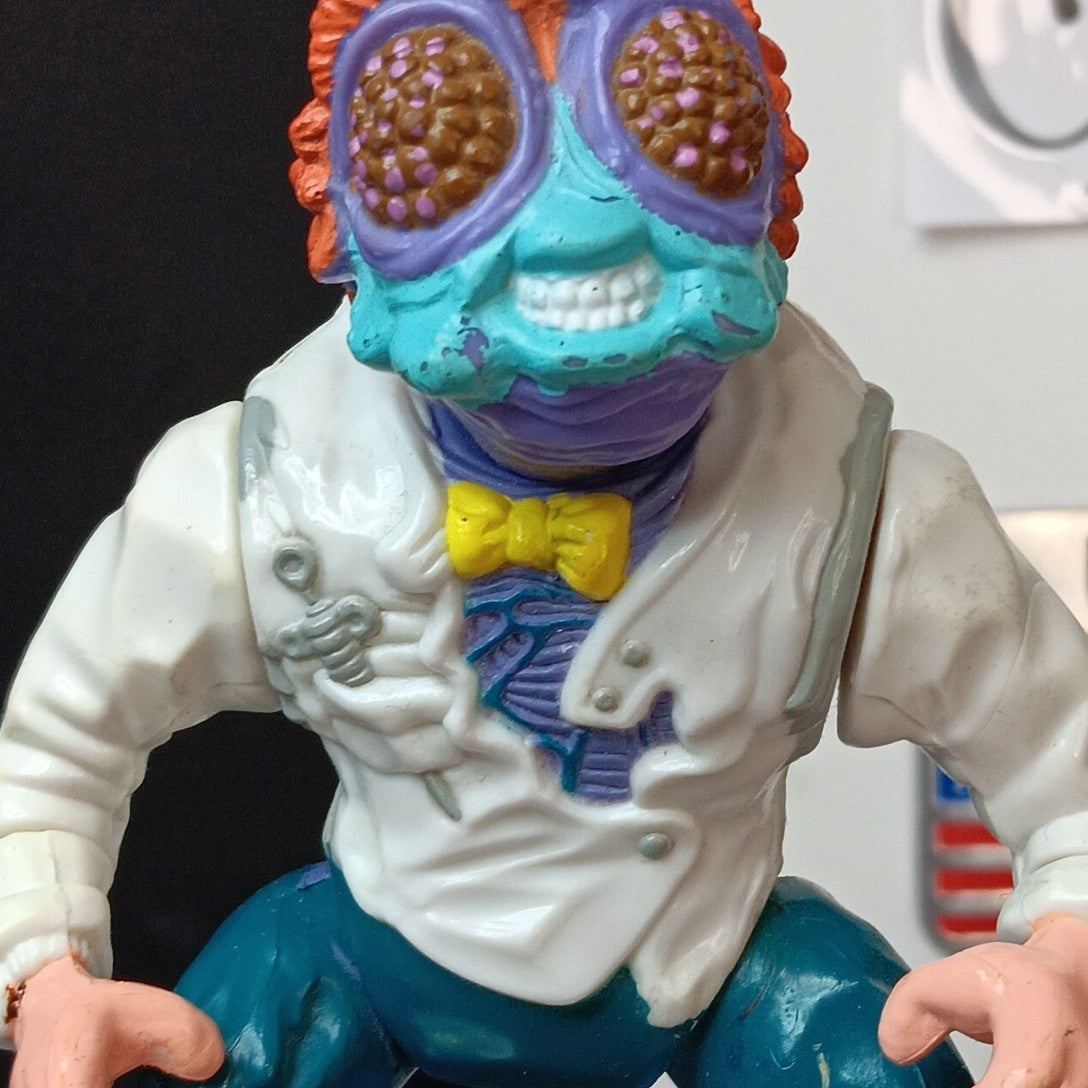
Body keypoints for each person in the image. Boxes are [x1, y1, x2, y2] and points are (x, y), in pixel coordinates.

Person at [4, 2, 1088, 1088]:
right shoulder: (258, 492)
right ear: (341, 209)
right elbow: (57, 742)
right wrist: (45, 975)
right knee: (229, 1052)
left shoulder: (861, 503)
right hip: (376, 949)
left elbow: (1062, 762)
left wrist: (1064, 950)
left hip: (715, 962)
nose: (575, 227)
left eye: (675, 114)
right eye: (445, 138)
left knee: (870, 1057)